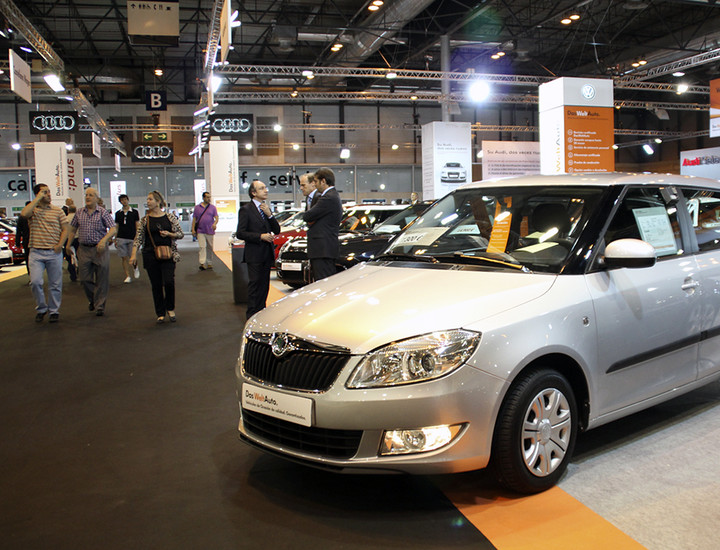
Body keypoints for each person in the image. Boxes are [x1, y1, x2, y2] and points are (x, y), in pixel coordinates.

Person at [130, 191, 184, 323]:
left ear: (158, 201)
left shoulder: (170, 217)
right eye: (147, 199)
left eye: (150, 199)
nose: (148, 202)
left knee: (169, 282)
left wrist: (169, 234)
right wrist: (133, 254)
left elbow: (180, 234)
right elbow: (138, 238)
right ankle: (160, 312)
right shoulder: (145, 220)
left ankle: (170, 307)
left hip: (168, 254)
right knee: (156, 284)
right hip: (150, 255)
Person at [21, 184, 69, 323]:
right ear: (38, 194)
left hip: (53, 252)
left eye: (49, 192)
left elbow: (65, 229)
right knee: (35, 282)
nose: (48, 195)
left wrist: (60, 244)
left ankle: (54, 311)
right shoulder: (33, 210)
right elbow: (24, 214)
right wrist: (37, 199)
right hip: (36, 252)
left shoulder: (57, 211)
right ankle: (42, 308)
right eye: (45, 192)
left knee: (55, 284)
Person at [66, 188, 117, 317]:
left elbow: (113, 229)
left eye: (91, 195)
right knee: (84, 279)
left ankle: (100, 306)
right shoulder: (79, 212)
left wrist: (104, 240)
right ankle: (93, 299)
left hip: (100, 250)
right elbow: (73, 230)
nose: (88, 197)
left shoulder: (103, 212)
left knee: (102, 279)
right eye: (86, 195)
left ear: (96, 198)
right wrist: (68, 244)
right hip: (84, 249)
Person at [236, 180, 280, 320]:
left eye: (265, 188)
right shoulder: (246, 209)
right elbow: (240, 233)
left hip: (266, 254)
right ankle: (251, 316)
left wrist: (270, 215)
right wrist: (260, 236)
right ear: (253, 192)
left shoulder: (266, 208)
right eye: (261, 188)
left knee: (264, 286)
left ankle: (262, 313)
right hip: (254, 254)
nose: (266, 190)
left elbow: (277, 230)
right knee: (255, 285)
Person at [302, 167, 343, 281]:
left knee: (323, 282)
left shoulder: (328, 197)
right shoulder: (331, 196)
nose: (314, 184)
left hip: (323, 249)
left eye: (316, 181)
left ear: (323, 181)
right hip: (323, 249)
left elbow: (307, 216)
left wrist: (311, 218)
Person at [114, 194, 140, 283]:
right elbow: (117, 226)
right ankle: (127, 276)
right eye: (122, 200)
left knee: (132, 256)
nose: (124, 201)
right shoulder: (118, 213)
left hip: (132, 237)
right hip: (121, 237)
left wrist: (137, 236)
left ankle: (135, 267)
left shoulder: (134, 212)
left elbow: (137, 225)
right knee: (124, 257)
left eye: (125, 199)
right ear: (120, 202)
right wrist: (115, 238)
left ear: (128, 200)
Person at [192, 191, 219, 270]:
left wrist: (214, 224)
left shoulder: (213, 207)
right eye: (207, 197)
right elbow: (194, 219)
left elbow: (216, 217)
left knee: (210, 247)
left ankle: (209, 262)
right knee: (202, 247)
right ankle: (202, 263)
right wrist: (193, 229)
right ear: (203, 198)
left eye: (209, 197)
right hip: (200, 230)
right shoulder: (197, 208)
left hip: (210, 230)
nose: (209, 199)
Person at [62, 199, 78, 282]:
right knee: (79, 256)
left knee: (69, 257)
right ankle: (79, 270)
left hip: (67, 239)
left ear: (68, 210)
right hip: (78, 239)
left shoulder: (65, 219)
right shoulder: (79, 218)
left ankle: (73, 274)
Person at [16, 201, 31, 276]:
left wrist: (17, 242)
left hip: (26, 240)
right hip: (35, 241)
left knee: (28, 258)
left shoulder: (22, 217)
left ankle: (30, 274)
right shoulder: (34, 215)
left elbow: (18, 231)